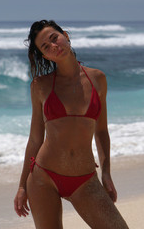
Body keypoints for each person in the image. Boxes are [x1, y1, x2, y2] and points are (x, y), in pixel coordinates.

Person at [13, 20, 129, 229]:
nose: (54, 46)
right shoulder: (40, 86)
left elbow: (101, 131)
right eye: (46, 47)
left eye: (54, 38)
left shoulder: (97, 79)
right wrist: (22, 186)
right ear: (45, 56)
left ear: (65, 35)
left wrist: (106, 173)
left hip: (85, 179)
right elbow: (35, 138)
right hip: (43, 178)